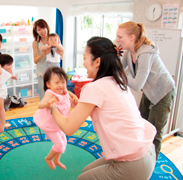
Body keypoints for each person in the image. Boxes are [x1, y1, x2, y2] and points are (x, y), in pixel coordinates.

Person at [50, 37, 157, 179]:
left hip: (133, 161)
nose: (83, 63)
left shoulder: (94, 87)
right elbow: (105, 108)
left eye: (85, 58)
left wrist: (52, 107)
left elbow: (68, 128)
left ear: (97, 61)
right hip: (145, 152)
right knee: (86, 171)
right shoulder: (118, 80)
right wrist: (79, 104)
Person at [116, 21, 176, 159]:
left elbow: (137, 84)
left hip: (163, 92)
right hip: (150, 91)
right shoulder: (128, 52)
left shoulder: (145, 53)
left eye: (120, 37)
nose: (117, 40)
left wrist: (119, 74)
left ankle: (151, 164)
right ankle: (141, 158)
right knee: (141, 124)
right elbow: (118, 69)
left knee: (154, 131)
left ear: (132, 37)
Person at [33, 67, 71, 170]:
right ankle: (49, 158)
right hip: (49, 125)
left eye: (63, 82)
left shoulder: (63, 91)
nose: (61, 85)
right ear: (48, 84)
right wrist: (47, 103)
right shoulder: (50, 93)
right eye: (57, 82)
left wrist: (73, 97)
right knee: (59, 145)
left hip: (58, 123)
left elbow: (67, 94)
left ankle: (57, 160)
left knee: (64, 142)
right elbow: (40, 105)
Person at [32, 19, 50, 100]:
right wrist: (43, 54)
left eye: (43, 28)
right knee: (43, 97)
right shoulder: (36, 42)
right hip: (41, 73)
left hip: (52, 72)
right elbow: (35, 60)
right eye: (39, 29)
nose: (42, 31)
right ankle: (43, 112)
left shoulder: (53, 39)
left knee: (53, 96)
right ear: (36, 31)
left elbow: (61, 55)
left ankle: (52, 112)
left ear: (47, 28)